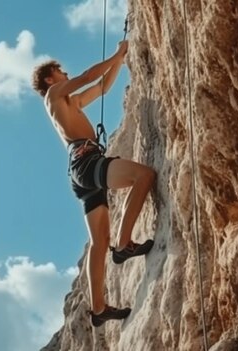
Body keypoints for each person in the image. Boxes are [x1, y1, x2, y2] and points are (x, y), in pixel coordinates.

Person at [31, 40, 156, 327]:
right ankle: (124, 244)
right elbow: (87, 77)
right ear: (50, 78)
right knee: (144, 176)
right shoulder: (52, 95)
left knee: (99, 243)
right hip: (86, 162)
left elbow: (100, 87)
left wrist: (120, 59)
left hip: (81, 171)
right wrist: (114, 55)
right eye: (59, 71)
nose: (64, 74)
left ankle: (99, 309)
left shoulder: (70, 104)